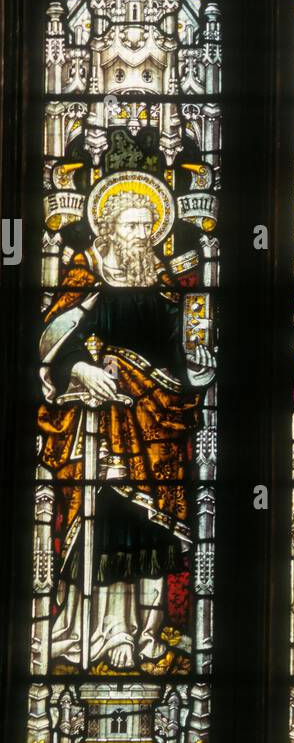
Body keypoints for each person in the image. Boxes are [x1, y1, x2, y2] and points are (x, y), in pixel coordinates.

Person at [38, 176, 215, 672]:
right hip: (103, 418)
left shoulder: (163, 282)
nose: (142, 233)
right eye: (132, 225)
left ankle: (148, 629)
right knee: (108, 517)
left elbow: (181, 351)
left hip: (157, 422)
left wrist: (199, 364)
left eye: (148, 226)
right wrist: (81, 367)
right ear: (109, 228)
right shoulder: (86, 271)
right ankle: (105, 628)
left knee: (153, 524)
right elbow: (56, 334)